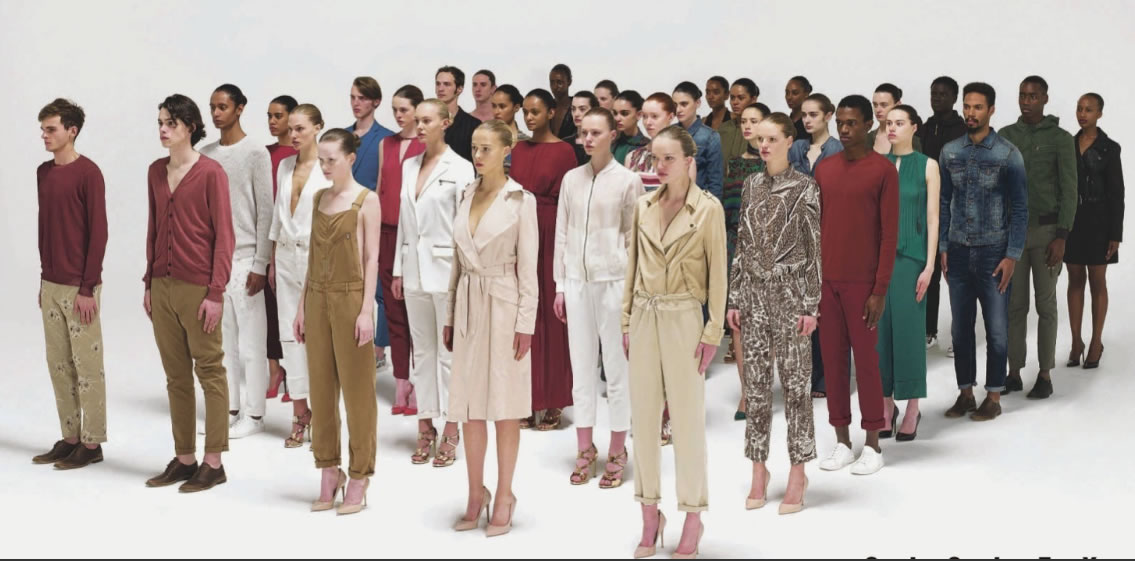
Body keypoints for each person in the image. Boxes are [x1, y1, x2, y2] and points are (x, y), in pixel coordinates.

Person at [623, 125, 726, 559]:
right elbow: (632, 267)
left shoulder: (708, 209)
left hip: (685, 316)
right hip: (644, 315)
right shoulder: (643, 206)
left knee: (686, 422)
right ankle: (649, 514)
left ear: (689, 161)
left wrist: (713, 331)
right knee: (644, 421)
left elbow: (719, 274)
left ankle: (693, 517)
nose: (660, 166)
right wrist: (626, 321)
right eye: (655, 158)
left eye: (669, 158)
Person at [444, 120, 539, 537]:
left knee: (505, 405)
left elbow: (529, 269)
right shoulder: (465, 194)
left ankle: (504, 494)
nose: (478, 156)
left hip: (504, 303)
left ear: (507, 149)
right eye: (474, 148)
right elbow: (456, 263)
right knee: (468, 405)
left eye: (486, 148)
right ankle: (474, 491)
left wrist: (525, 323)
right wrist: (450, 316)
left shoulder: (521, 200)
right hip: (468, 302)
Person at [726, 112, 820, 515]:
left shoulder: (806, 187)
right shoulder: (751, 185)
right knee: (757, 388)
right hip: (753, 297)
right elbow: (743, 243)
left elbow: (814, 249)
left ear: (788, 141)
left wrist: (811, 305)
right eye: (759, 139)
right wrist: (734, 297)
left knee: (797, 388)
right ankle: (758, 469)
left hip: (792, 296)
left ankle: (798, 472)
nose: (763, 145)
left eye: (771, 139)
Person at [143, 94, 234, 493]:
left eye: (171, 123)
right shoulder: (155, 171)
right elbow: (153, 228)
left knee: (210, 371)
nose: (163, 129)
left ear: (191, 127)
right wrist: (148, 282)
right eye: (161, 122)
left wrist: (215, 293)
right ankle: (184, 459)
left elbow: (224, 237)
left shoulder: (212, 173)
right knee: (176, 377)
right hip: (161, 285)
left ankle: (213, 463)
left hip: (199, 288)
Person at [553, 108, 645, 488]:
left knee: (618, 371)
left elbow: (634, 239)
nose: (588, 139)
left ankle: (618, 450)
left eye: (596, 132)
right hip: (577, 282)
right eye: (584, 132)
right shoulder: (571, 179)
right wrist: (560, 285)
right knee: (581, 368)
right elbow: (562, 233)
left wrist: (631, 292)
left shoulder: (628, 181)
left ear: (612, 135)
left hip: (614, 283)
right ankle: (585, 448)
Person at [296, 128, 381, 515]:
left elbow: (372, 259)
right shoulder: (318, 199)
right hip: (316, 297)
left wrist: (366, 311)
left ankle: (360, 475)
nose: (325, 166)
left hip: (350, 298)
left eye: (331, 159)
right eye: (321, 159)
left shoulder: (367, 201)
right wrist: (302, 307)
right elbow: (312, 257)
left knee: (359, 393)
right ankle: (329, 470)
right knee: (321, 391)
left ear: (350, 158)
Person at [814, 95, 898, 476]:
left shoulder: (883, 171)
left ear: (868, 125)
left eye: (852, 123)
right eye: (841, 124)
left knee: (866, 365)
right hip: (827, 282)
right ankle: (843, 442)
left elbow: (889, 234)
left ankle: (874, 444)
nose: (845, 130)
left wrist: (879, 289)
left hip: (864, 284)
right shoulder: (824, 170)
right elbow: (815, 228)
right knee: (833, 364)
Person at [392, 99, 475, 467]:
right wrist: (398, 269)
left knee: (448, 355)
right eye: (417, 120)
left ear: (446, 122)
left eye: (427, 120)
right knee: (422, 353)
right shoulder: (408, 165)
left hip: (446, 271)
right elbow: (404, 223)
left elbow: (465, 227)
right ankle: (425, 424)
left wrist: (463, 278)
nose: (420, 126)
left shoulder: (461, 168)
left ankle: (452, 428)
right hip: (413, 270)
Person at [939, 82, 1028, 422]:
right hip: (958, 252)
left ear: (991, 110)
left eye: (978, 107)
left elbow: (1020, 209)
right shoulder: (950, 152)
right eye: (967, 106)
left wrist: (1012, 255)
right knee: (960, 330)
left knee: (996, 329)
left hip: (994, 253)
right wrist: (944, 247)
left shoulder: (1007, 154)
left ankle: (993, 396)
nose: (971, 113)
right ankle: (965, 393)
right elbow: (944, 202)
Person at [33, 98, 109, 470]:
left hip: (80, 287)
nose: (44, 136)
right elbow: (45, 228)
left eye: (51, 129)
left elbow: (99, 232)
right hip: (51, 283)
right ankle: (70, 438)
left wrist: (87, 287)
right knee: (58, 365)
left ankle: (92, 445)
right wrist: (43, 278)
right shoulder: (43, 173)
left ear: (71, 131)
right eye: (43, 129)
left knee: (87, 367)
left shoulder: (89, 173)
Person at [199, 84, 273, 439]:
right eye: (212, 107)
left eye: (223, 107)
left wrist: (261, 263)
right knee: (221, 343)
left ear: (240, 108)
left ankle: (255, 415)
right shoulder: (205, 154)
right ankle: (229, 409)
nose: (216, 113)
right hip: (214, 263)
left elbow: (265, 211)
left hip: (245, 259)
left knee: (252, 344)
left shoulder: (256, 153)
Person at [999, 75, 1077, 399]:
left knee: (1046, 305)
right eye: (1022, 95)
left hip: (1047, 234)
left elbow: (1070, 190)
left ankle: (1044, 374)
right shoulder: (1005, 136)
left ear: (1045, 98)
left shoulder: (1061, 139)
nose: (1026, 101)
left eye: (1033, 96)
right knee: (1014, 307)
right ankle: (1013, 372)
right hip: (1013, 236)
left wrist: (1062, 236)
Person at [510, 88, 577, 430]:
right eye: (525, 111)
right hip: (519, 231)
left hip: (551, 233)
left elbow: (570, 201)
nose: (529, 117)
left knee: (551, 317)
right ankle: (524, 398)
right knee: (522, 314)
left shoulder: (565, 151)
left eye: (535, 111)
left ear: (551, 113)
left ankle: (554, 399)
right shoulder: (517, 149)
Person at [270, 104, 332, 448]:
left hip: (315, 257)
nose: (292, 135)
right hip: (284, 256)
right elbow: (277, 216)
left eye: (300, 129)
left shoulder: (328, 168)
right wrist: (271, 258)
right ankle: (299, 412)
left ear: (318, 127)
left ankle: (323, 415)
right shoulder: (284, 166)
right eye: (290, 129)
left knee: (316, 336)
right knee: (288, 335)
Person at [878, 105, 940, 442]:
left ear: (914, 127)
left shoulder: (928, 165)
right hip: (879, 261)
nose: (892, 128)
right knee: (880, 334)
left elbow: (933, 217)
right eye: (889, 123)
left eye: (899, 123)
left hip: (912, 259)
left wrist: (929, 266)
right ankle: (886, 406)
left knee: (910, 333)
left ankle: (913, 406)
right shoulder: (878, 165)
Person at [787, 93, 843, 399]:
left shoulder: (838, 150)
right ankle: (803, 374)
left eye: (814, 115)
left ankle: (827, 377)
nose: (807, 120)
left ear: (828, 116)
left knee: (826, 309)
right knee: (800, 306)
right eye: (804, 115)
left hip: (827, 234)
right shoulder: (797, 148)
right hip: (796, 235)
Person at [1065, 93, 1124, 370]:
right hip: (1073, 220)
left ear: (1099, 113)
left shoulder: (1110, 148)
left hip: (1100, 221)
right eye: (1079, 108)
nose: (1082, 114)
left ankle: (1096, 342)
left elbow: (1117, 193)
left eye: (1088, 109)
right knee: (1074, 280)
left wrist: (1115, 233)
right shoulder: (1067, 144)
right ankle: (1076, 341)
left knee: (1097, 281)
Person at [377, 85, 427, 415]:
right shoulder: (386, 144)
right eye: (395, 109)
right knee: (393, 312)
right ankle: (401, 381)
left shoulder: (426, 145)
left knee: (416, 313)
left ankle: (421, 383)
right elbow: (380, 188)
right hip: (385, 232)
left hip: (414, 236)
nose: (397, 115)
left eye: (404, 109)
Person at [345, 77, 395, 371]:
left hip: (373, 220)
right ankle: (351, 344)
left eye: (362, 98)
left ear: (376, 101)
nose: (356, 103)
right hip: (342, 221)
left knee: (379, 290)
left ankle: (379, 349)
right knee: (347, 287)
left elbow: (386, 184)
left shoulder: (386, 139)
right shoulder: (341, 135)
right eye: (353, 97)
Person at [917, 76, 967, 354]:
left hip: (955, 210)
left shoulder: (962, 130)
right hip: (928, 210)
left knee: (956, 275)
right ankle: (928, 330)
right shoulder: (925, 128)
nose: (937, 98)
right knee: (930, 271)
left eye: (943, 94)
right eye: (934, 93)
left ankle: (960, 337)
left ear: (954, 98)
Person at [721, 103, 768, 387]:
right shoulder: (735, 163)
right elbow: (727, 209)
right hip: (735, 245)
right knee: (738, 319)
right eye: (744, 121)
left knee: (764, 321)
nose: (748, 126)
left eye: (755, 120)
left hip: (767, 249)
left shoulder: (777, 164)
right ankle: (746, 390)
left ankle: (760, 385)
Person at [265, 95, 298, 400]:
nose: (272, 122)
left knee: (293, 309)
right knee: (268, 308)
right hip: (267, 235)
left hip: (293, 237)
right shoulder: (265, 154)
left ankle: (296, 372)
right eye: (269, 116)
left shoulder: (300, 156)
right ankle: (275, 369)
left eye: (278, 116)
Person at [673, 81, 724, 199]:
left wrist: (711, 208)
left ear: (698, 103)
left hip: (698, 203)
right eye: (675, 105)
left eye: (684, 104)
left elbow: (715, 182)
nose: (678, 109)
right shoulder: (669, 134)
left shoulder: (710, 137)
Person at [437, 65, 482, 162]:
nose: (440, 88)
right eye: (438, 84)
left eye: (447, 84)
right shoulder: (426, 122)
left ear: (459, 89)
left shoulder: (474, 125)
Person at [716, 78, 760, 177]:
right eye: (732, 98)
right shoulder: (723, 129)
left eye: (741, 98)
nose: (735, 102)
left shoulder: (762, 130)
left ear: (753, 99)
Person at [867, 83, 922, 154]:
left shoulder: (910, 140)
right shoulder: (867, 139)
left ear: (898, 105)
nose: (878, 110)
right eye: (875, 105)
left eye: (884, 105)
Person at [612, 90, 649, 166]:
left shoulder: (647, 146)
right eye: (615, 113)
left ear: (639, 115)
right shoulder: (611, 141)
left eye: (624, 113)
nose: (617, 118)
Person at [561, 90, 598, 165]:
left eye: (582, 109)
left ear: (594, 110)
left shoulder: (602, 142)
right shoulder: (565, 144)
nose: (576, 114)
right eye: (573, 109)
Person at [549, 63, 575, 139]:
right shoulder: (546, 107)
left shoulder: (578, 108)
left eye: (559, 82)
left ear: (569, 82)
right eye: (552, 82)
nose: (555, 87)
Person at [785, 76, 812, 140]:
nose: (789, 97)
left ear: (806, 94)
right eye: (787, 93)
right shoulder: (784, 123)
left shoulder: (810, 124)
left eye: (795, 93)